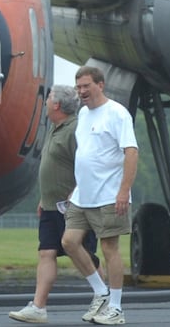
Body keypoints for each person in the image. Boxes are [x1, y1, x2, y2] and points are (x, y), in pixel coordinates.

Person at [9, 85, 99, 324]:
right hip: (51, 205)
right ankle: (38, 307)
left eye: (49, 97)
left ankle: (105, 299)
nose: (46, 100)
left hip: (73, 206)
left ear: (57, 105)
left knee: (85, 255)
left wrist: (76, 192)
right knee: (46, 252)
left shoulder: (76, 130)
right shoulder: (54, 127)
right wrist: (44, 198)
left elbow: (88, 165)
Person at [61, 65, 138, 325]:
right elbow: (87, 153)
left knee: (109, 248)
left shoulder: (117, 113)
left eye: (86, 86)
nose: (82, 91)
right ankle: (101, 292)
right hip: (83, 195)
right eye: (78, 87)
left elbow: (131, 152)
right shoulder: (83, 114)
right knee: (69, 242)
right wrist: (76, 186)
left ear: (100, 85)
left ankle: (116, 308)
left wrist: (124, 190)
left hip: (108, 194)